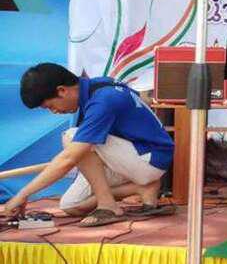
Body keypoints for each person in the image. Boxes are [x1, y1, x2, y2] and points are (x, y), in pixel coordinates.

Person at [4, 63, 175, 226]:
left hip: (150, 159)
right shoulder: (98, 85)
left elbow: (68, 159)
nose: (54, 111)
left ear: (62, 90)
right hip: (128, 156)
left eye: (50, 106)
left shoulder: (104, 100)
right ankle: (141, 188)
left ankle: (108, 205)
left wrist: (22, 195)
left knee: (72, 137)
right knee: (71, 205)